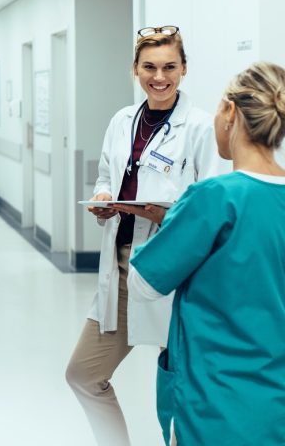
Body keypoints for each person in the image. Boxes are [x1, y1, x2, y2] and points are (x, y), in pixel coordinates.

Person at [65, 26, 223, 446]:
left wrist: (164, 216)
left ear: (184, 69)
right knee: (83, 374)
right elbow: (106, 175)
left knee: (180, 384)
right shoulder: (122, 121)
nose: (160, 77)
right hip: (120, 269)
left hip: (175, 275)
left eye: (170, 66)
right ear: (135, 69)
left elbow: (211, 204)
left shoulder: (201, 127)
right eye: (149, 67)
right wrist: (103, 197)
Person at [129, 62, 285, 446]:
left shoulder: (214, 198)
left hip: (214, 399)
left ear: (230, 113)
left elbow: (145, 283)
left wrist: (174, 224)